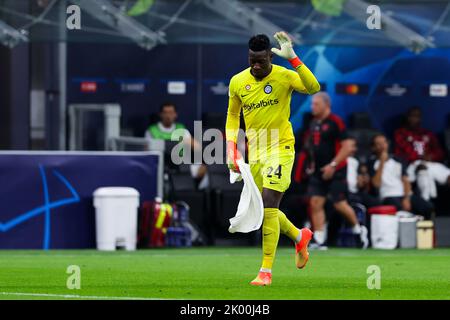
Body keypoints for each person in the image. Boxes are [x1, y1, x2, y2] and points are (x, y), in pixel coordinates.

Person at [226, 31, 320, 286]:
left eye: (261, 60)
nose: (256, 65)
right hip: (255, 152)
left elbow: (313, 87)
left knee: (268, 202)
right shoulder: (237, 82)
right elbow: (233, 117)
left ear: (270, 56)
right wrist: (231, 148)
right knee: (262, 207)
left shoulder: (284, 76)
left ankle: (265, 271)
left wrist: (294, 60)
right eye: (252, 60)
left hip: (281, 148)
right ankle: (299, 236)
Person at [304, 92, 368, 250]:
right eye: (312, 104)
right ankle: (319, 239)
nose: (313, 107)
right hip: (319, 171)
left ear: (326, 105)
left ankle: (358, 230)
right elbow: (312, 147)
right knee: (315, 202)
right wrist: (311, 163)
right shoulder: (313, 123)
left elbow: (347, 147)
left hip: (337, 170)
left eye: (316, 104)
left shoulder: (336, 122)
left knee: (339, 204)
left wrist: (333, 165)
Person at [369, 133, 433, 218]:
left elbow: (405, 180)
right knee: (400, 211)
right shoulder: (371, 163)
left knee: (428, 207)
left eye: (384, 142)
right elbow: (376, 184)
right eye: (378, 144)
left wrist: (406, 198)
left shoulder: (398, 160)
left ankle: (424, 230)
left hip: (404, 194)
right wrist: (382, 162)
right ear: (373, 147)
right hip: (388, 196)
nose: (382, 146)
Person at [145, 102, 208, 189]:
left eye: (171, 113)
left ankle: (196, 193)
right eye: (165, 112)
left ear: (175, 115)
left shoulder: (181, 129)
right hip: (160, 166)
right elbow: (147, 152)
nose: (168, 116)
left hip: (181, 165)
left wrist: (189, 142)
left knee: (205, 169)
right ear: (161, 115)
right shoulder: (151, 131)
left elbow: (198, 148)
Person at [394, 107, 450, 201]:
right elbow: (399, 155)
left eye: (417, 116)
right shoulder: (400, 133)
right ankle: (426, 204)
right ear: (407, 117)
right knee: (423, 171)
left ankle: (429, 206)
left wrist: (431, 156)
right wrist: (419, 157)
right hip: (412, 164)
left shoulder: (427, 134)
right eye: (412, 116)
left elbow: (440, 152)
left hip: (431, 164)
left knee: (436, 174)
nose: (414, 119)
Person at [346, 137, 380, 209]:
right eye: (352, 146)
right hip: (343, 192)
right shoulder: (337, 160)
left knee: (375, 202)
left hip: (355, 193)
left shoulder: (355, 161)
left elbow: (360, 184)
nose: (355, 149)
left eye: (355, 146)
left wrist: (363, 181)